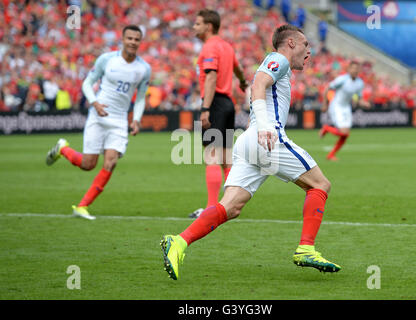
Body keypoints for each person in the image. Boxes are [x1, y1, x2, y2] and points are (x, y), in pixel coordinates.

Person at [161, 24, 341, 280]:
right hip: (267, 138)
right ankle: (306, 248)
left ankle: (178, 241)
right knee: (320, 185)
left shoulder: (274, 63)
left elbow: (258, 92)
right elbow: (257, 86)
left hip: (249, 140)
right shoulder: (279, 59)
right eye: (305, 45)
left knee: (230, 207)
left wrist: (257, 128)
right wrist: (266, 128)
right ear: (290, 43)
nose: (308, 52)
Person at [45, 25, 151, 220]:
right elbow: (87, 82)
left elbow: (142, 97)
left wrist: (136, 119)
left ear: (140, 42)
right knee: (88, 164)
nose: (133, 42)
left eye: (137, 39)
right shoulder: (107, 60)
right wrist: (94, 102)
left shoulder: (144, 69)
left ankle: (82, 206)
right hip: (98, 116)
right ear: (122, 39)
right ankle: (63, 149)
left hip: (119, 120)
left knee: (111, 161)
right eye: (130, 38)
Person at [188, 9, 248, 219]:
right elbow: (238, 69)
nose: (194, 27)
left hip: (215, 103)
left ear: (208, 26)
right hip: (228, 104)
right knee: (226, 158)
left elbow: (211, 76)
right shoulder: (226, 46)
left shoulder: (210, 47)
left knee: (211, 157)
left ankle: (212, 208)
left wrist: (205, 108)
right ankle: (229, 205)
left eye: (197, 24)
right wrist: (242, 82)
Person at [319, 60, 370, 161]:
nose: (355, 70)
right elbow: (327, 88)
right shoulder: (342, 79)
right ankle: (326, 128)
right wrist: (325, 103)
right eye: (353, 68)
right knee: (343, 132)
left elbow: (358, 99)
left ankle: (331, 155)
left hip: (346, 107)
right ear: (349, 69)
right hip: (336, 106)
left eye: (357, 69)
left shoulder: (359, 83)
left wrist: (364, 103)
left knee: (345, 135)